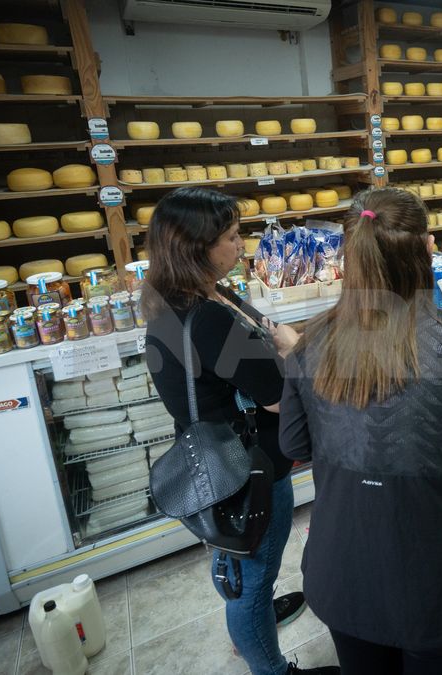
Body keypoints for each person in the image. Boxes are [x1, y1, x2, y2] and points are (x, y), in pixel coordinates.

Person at [279, 187, 442, 674]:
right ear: (428, 247)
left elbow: (294, 444)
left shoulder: (312, 345)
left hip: (347, 575)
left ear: (349, 258)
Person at [141, 187, 337, 675]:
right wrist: (292, 350)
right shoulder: (206, 319)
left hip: (213, 459)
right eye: (231, 237)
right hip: (250, 470)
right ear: (196, 247)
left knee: (237, 560)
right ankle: (268, 661)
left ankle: (250, 618)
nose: (240, 245)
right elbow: (275, 394)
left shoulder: (169, 299)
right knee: (252, 577)